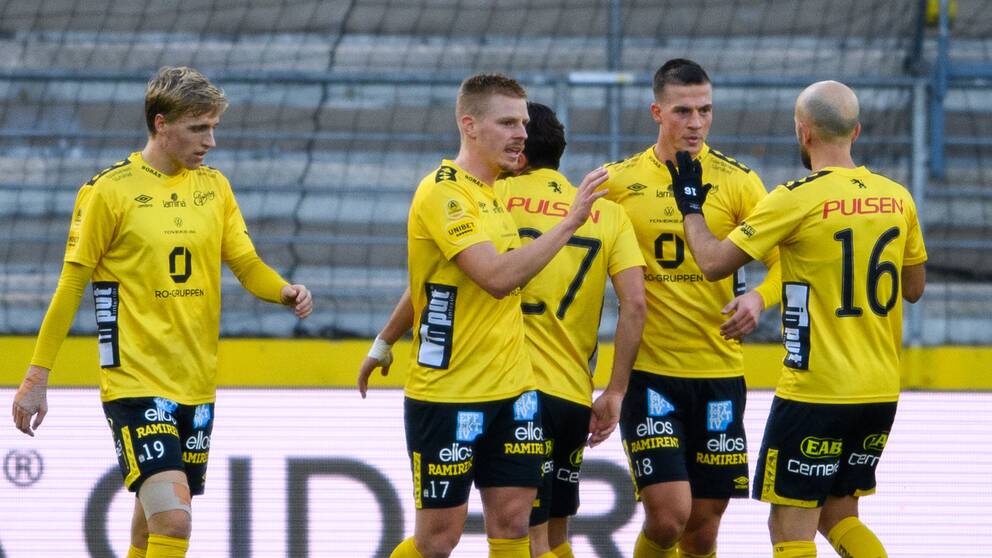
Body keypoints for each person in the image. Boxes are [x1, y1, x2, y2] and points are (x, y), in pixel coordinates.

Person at [11, 66, 313, 558]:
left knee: (147, 533)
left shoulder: (214, 188)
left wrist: (283, 290)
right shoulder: (109, 190)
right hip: (135, 382)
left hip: (195, 381)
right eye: (198, 128)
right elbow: (71, 285)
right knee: (174, 520)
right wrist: (36, 376)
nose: (210, 141)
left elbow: (245, 263)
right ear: (161, 123)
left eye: (213, 127)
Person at [669, 80, 927, 557]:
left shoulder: (795, 197)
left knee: (790, 529)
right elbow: (913, 289)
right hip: (879, 389)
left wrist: (690, 207)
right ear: (856, 131)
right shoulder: (898, 198)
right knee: (840, 515)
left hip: (816, 390)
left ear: (803, 132)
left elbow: (712, 263)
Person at [359, 74, 606, 558]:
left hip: (514, 390)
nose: (521, 134)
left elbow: (432, 280)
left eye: (524, 123)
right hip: (450, 391)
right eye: (508, 123)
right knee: (438, 540)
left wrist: (384, 341)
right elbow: (494, 277)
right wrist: (570, 222)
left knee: (514, 525)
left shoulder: (494, 193)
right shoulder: (443, 193)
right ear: (469, 125)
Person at [598, 58, 783, 558]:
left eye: (705, 110)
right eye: (683, 111)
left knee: (702, 528)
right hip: (651, 374)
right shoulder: (617, 183)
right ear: (656, 112)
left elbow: (789, 264)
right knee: (667, 517)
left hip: (719, 372)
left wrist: (759, 297)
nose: (696, 122)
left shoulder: (739, 182)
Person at [498, 102, 646, 558]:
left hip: (513, 389)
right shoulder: (607, 214)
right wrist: (615, 391)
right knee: (557, 535)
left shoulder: (492, 198)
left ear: (519, 152)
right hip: (572, 397)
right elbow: (635, 304)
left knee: (527, 540)